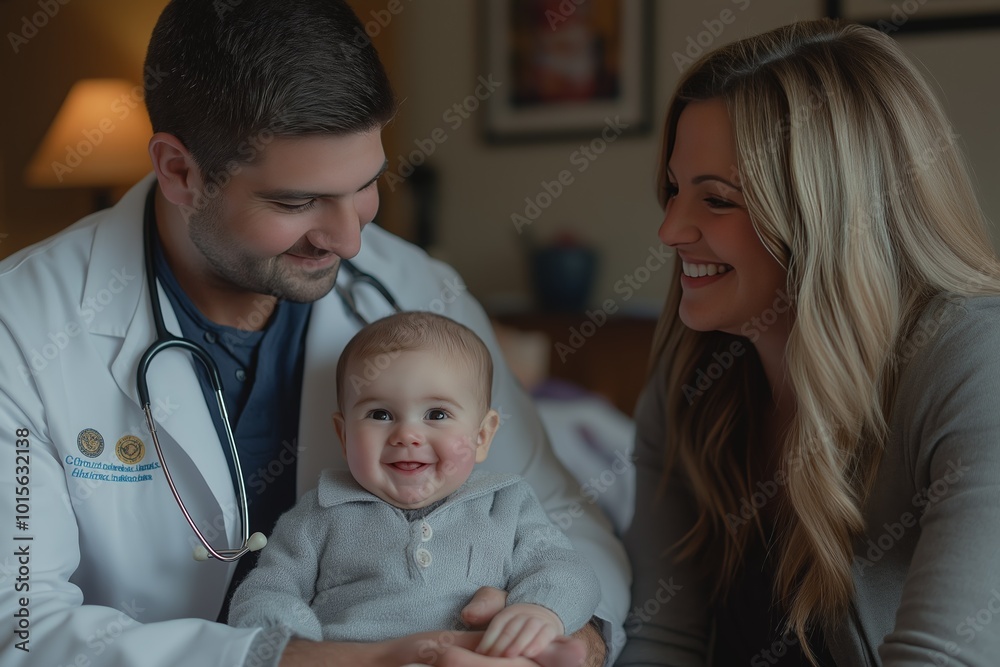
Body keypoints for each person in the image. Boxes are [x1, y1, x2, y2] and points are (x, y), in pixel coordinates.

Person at [0, 2, 629, 666]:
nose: (350, 238)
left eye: (364, 185)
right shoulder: (21, 325)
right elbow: (20, 625)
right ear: (180, 171)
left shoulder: (416, 288)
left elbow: (564, 523)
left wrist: (572, 640)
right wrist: (364, 660)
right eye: (296, 202)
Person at [618, 18, 1000, 667]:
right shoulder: (691, 378)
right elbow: (661, 641)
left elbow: (942, 658)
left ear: (827, 215)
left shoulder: (973, 363)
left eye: (716, 200)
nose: (670, 229)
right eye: (674, 191)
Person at [229, 311, 600, 666]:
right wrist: (294, 647)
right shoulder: (320, 513)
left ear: (482, 436)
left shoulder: (505, 504)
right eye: (380, 414)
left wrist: (541, 609)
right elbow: (268, 591)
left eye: (437, 414)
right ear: (344, 436)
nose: (407, 434)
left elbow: (564, 568)